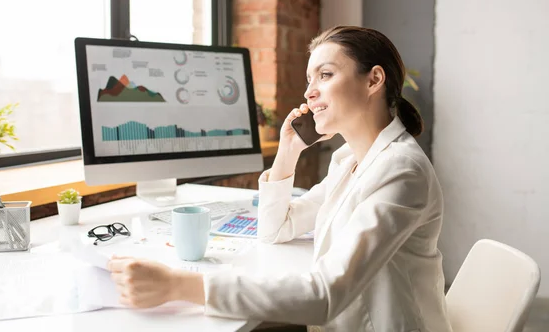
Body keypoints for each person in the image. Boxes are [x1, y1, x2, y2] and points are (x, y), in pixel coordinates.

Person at [107, 26, 453, 332]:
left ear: (374, 80)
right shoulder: (349, 160)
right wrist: (287, 151)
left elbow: (325, 295)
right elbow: (275, 230)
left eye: (326, 75)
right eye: (309, 80)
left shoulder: (401, 170)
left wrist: (178, 286)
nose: (309, 93)